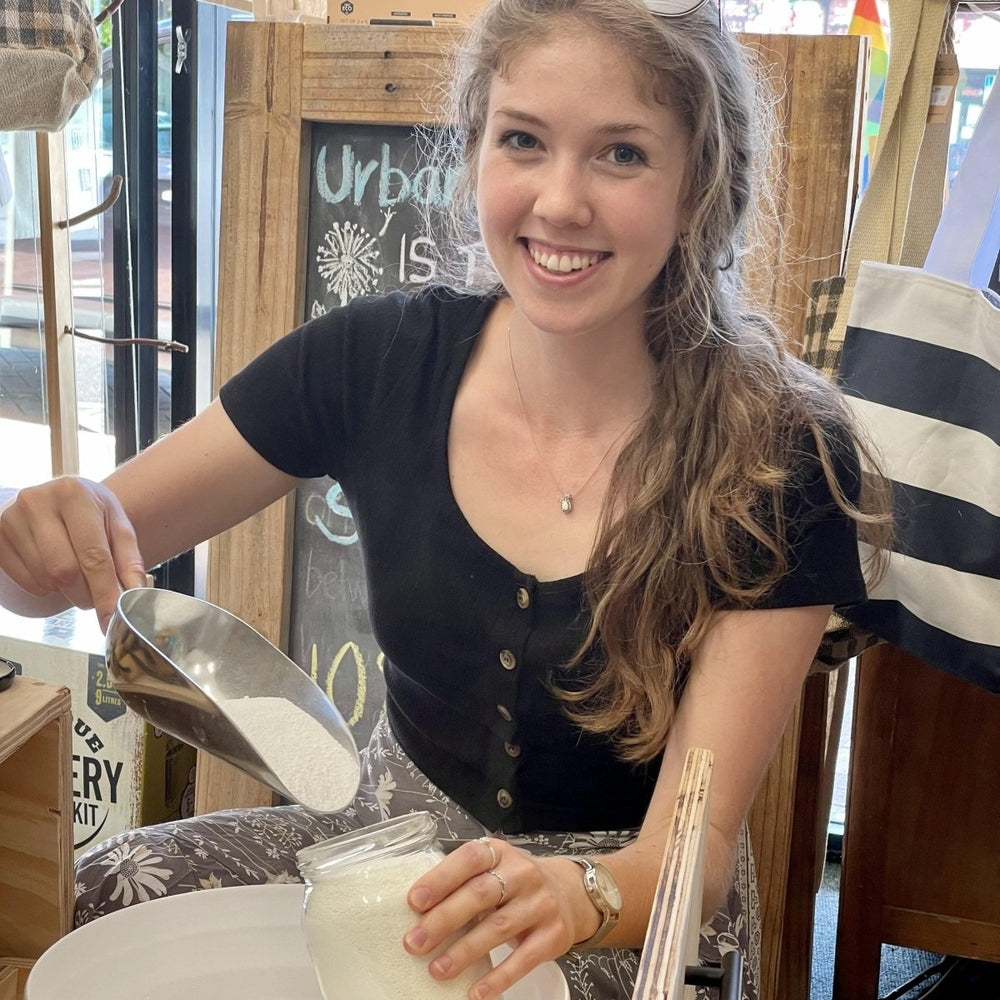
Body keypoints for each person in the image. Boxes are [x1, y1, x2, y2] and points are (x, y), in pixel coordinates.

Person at [0, 0, 889, 997]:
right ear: (474, 152)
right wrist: (41, 525)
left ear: (697, 185)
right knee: (94, 892)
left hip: (628, 894)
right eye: (522, 141)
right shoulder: (376, 360)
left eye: (622, 154)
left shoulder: (779, 456)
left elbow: (693, 850)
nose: (558, 202)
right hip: (393, 838)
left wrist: (574, 892)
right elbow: (49, 573)